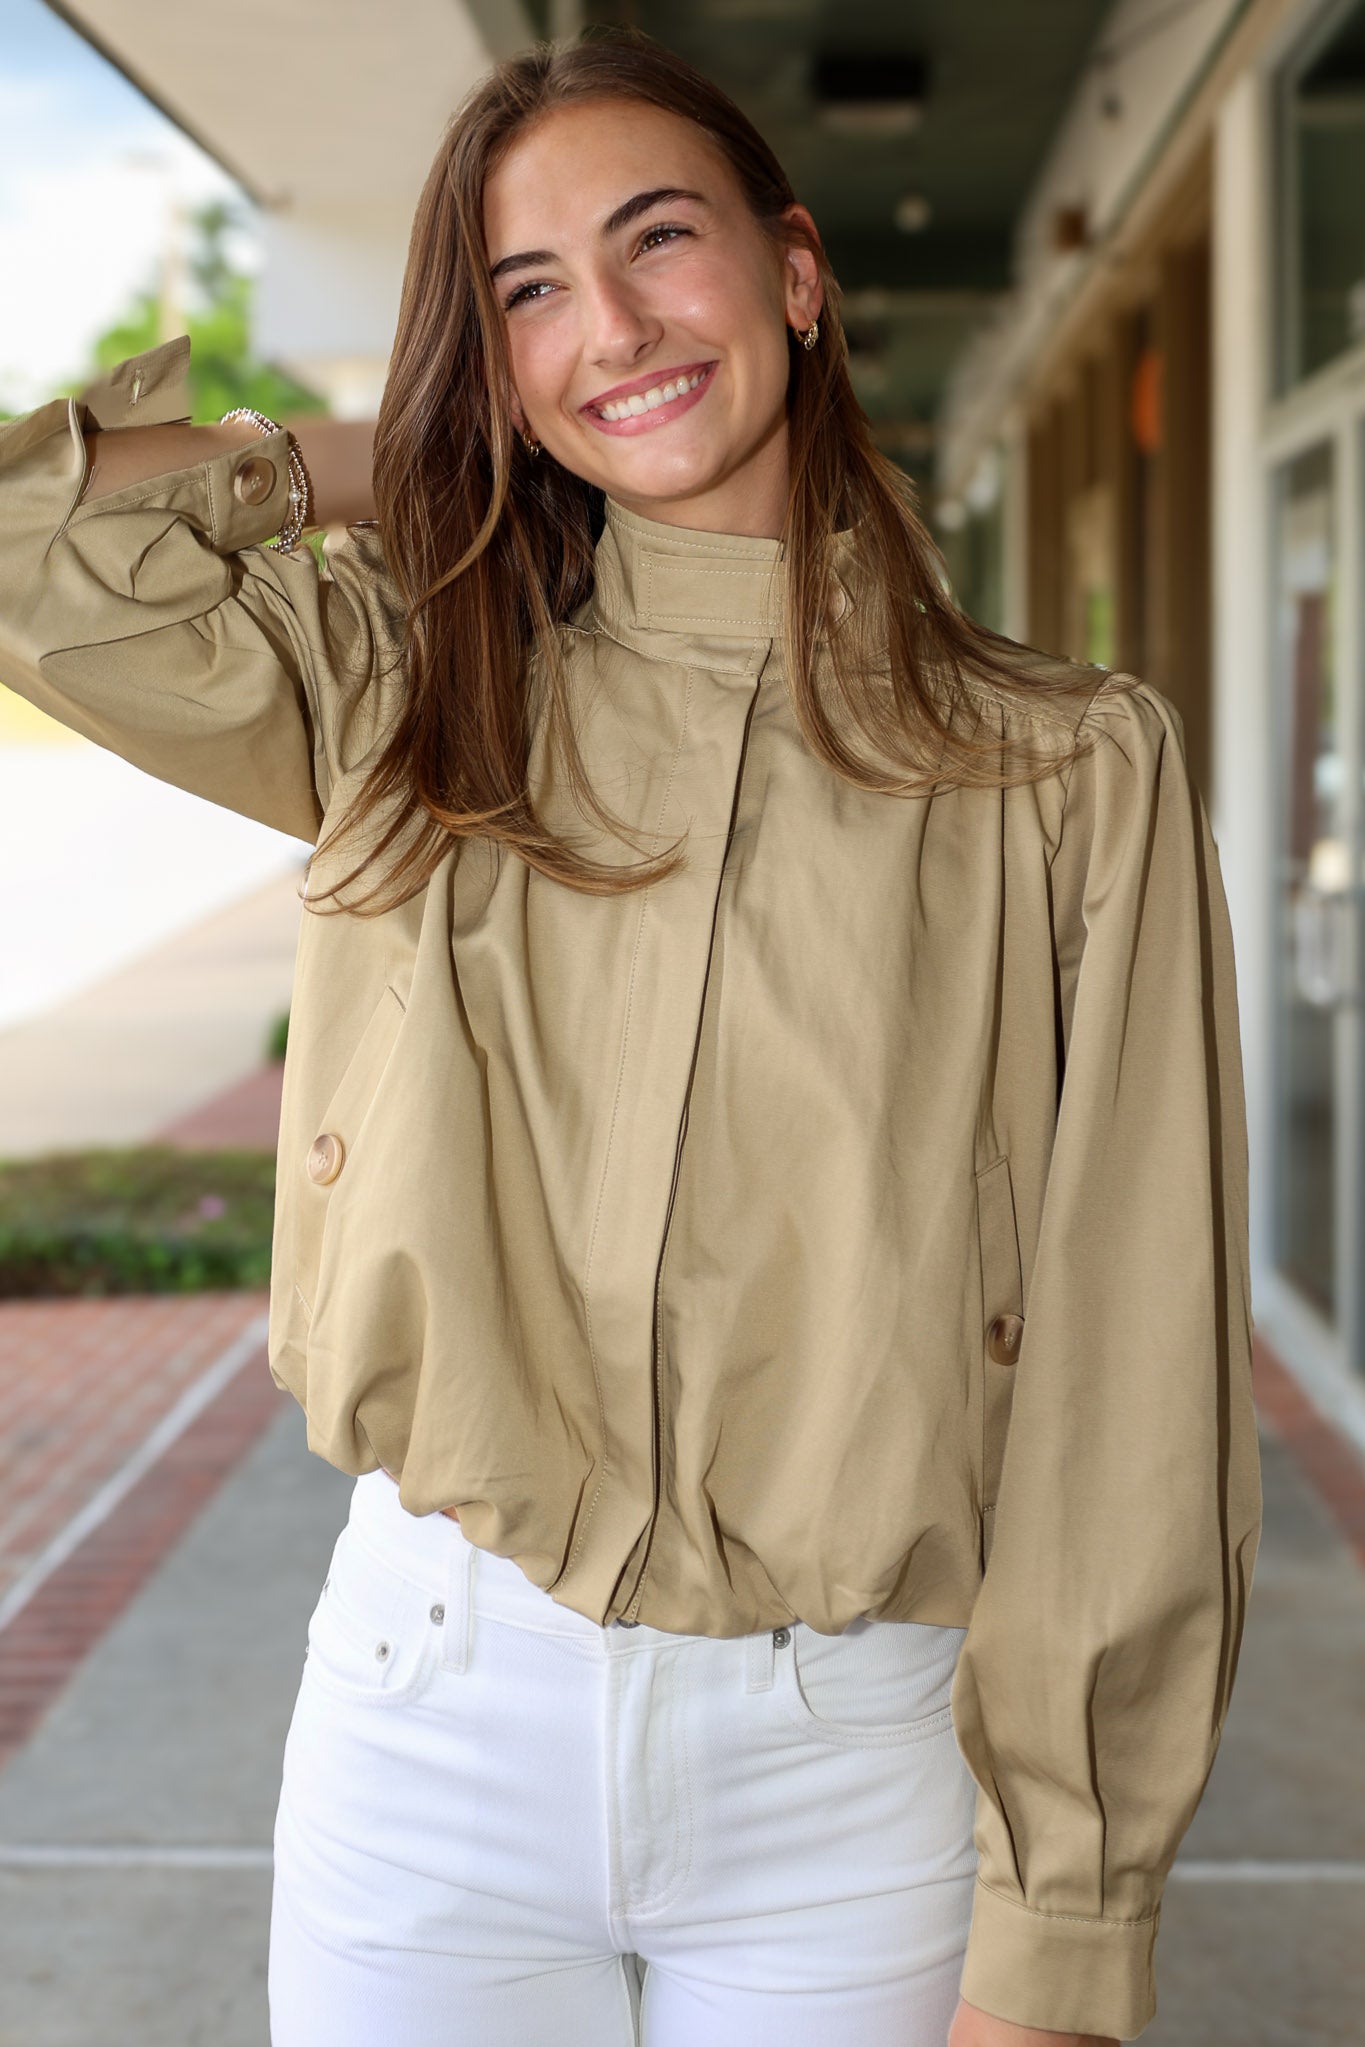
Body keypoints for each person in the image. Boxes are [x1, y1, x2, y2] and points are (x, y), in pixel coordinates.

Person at [0, 27, 1261, 2047]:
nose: (610, 326)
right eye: (524, 294)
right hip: (427, 1709)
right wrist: (391, 448)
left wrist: (1064, 1927)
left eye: (653, 241)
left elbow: (1131, 1373)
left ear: (793, 270)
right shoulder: (403, 690)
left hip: (851, 1757)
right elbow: (34, 545)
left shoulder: (1062, 768)